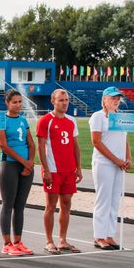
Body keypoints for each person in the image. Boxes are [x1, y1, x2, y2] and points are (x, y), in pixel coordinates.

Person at [37, 89, 82, 255]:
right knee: (50, 206)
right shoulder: (45, 121)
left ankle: (62, 240)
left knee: (66, 205)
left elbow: (75, 146)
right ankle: (49, 241)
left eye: (67, 100)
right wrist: (46, 170)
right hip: (53, 170)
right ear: (53, 101)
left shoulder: (72, 121)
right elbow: (41, 147)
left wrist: (78, 167)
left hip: (69, 170)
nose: (65, 103)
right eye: (61, 100)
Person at [89, 87, 132, 250]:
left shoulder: (121, 117)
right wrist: (116, 160)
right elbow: (96, 142)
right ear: (105, 99)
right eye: (112, 98)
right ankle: (99, 236)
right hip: (103, 164)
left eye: (118, 98)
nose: (116, 101)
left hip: (118, 165)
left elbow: (125, 139)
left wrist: (127, 158)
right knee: (103, 200)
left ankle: (109, 234)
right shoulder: (98, 117)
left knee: (115, 199)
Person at [0, 90, 36, 256]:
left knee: (20, 205)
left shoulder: (22, 120)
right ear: (7, 103)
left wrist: (30, 163)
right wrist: (23, 161)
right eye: (14, 102)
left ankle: (18, 241)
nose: (18, 105)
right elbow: (4, 146)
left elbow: (31, 144)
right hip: (10, 165)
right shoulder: (1, 120)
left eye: (20, 102)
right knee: (8, 204)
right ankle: (7, 243)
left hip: (25, 167)